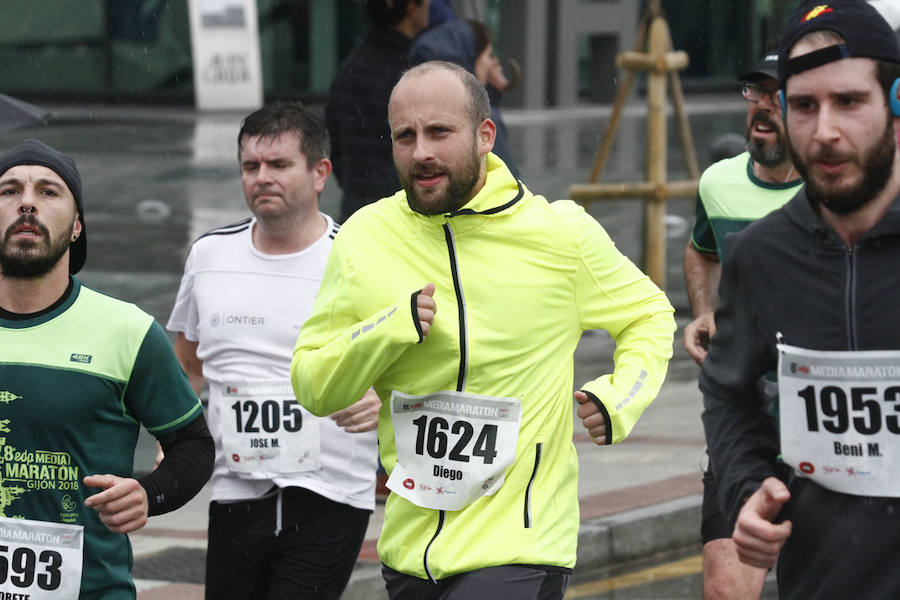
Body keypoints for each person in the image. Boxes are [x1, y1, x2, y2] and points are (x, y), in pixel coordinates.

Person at [291, 60, 676, 599]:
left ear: (485, 136)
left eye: (440, 132)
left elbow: (649, 315)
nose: (421, 150)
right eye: (406, 136)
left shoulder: (559, 235)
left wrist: (620, 397)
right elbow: (312, 383)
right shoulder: (364, 237)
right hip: (409, 551)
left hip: (520, 544)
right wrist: (387, 329)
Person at [701, 1, 900, 598]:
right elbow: (730, 395)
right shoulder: (761, 256)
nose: (826, 131)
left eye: (849, 102)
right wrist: (746, 492)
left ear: (895, 106)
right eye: (805, 107)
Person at [166, 101, 380, 600]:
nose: (262, 178)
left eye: (279, 165)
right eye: (250, 166)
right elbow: (187, 365)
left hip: (331, 489)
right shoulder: (209, 255)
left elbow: (406, 367)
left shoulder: (363, 259)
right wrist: (172, 433)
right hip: (235, 485)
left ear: (320, 172)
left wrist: (381, 397)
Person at [0, 139, 213, 599]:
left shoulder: (127, 331)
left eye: (50, 192)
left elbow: (193, 446)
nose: (28, 202)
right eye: (9, 190)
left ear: (77, 226)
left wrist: (148, 492)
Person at [683, 52, 803, 600]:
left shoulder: (838, 194)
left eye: (778, 93)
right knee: (726, 586)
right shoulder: (719, 183)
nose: (763, 104)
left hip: (824, 423)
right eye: (755, 91)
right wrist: (704, 311)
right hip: (742, 417)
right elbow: (700, 248)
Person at [325, 0, 430, 223]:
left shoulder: (349, 67)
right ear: (411, 7)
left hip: (357, 210)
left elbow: (335, 145)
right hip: (400, 214)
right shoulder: (412, 71)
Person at [409, 17, 522, 179]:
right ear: (469, 60)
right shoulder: (480, 118)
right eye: (488, 56)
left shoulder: (410, 111)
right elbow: (510, 182)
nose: (491, 64)